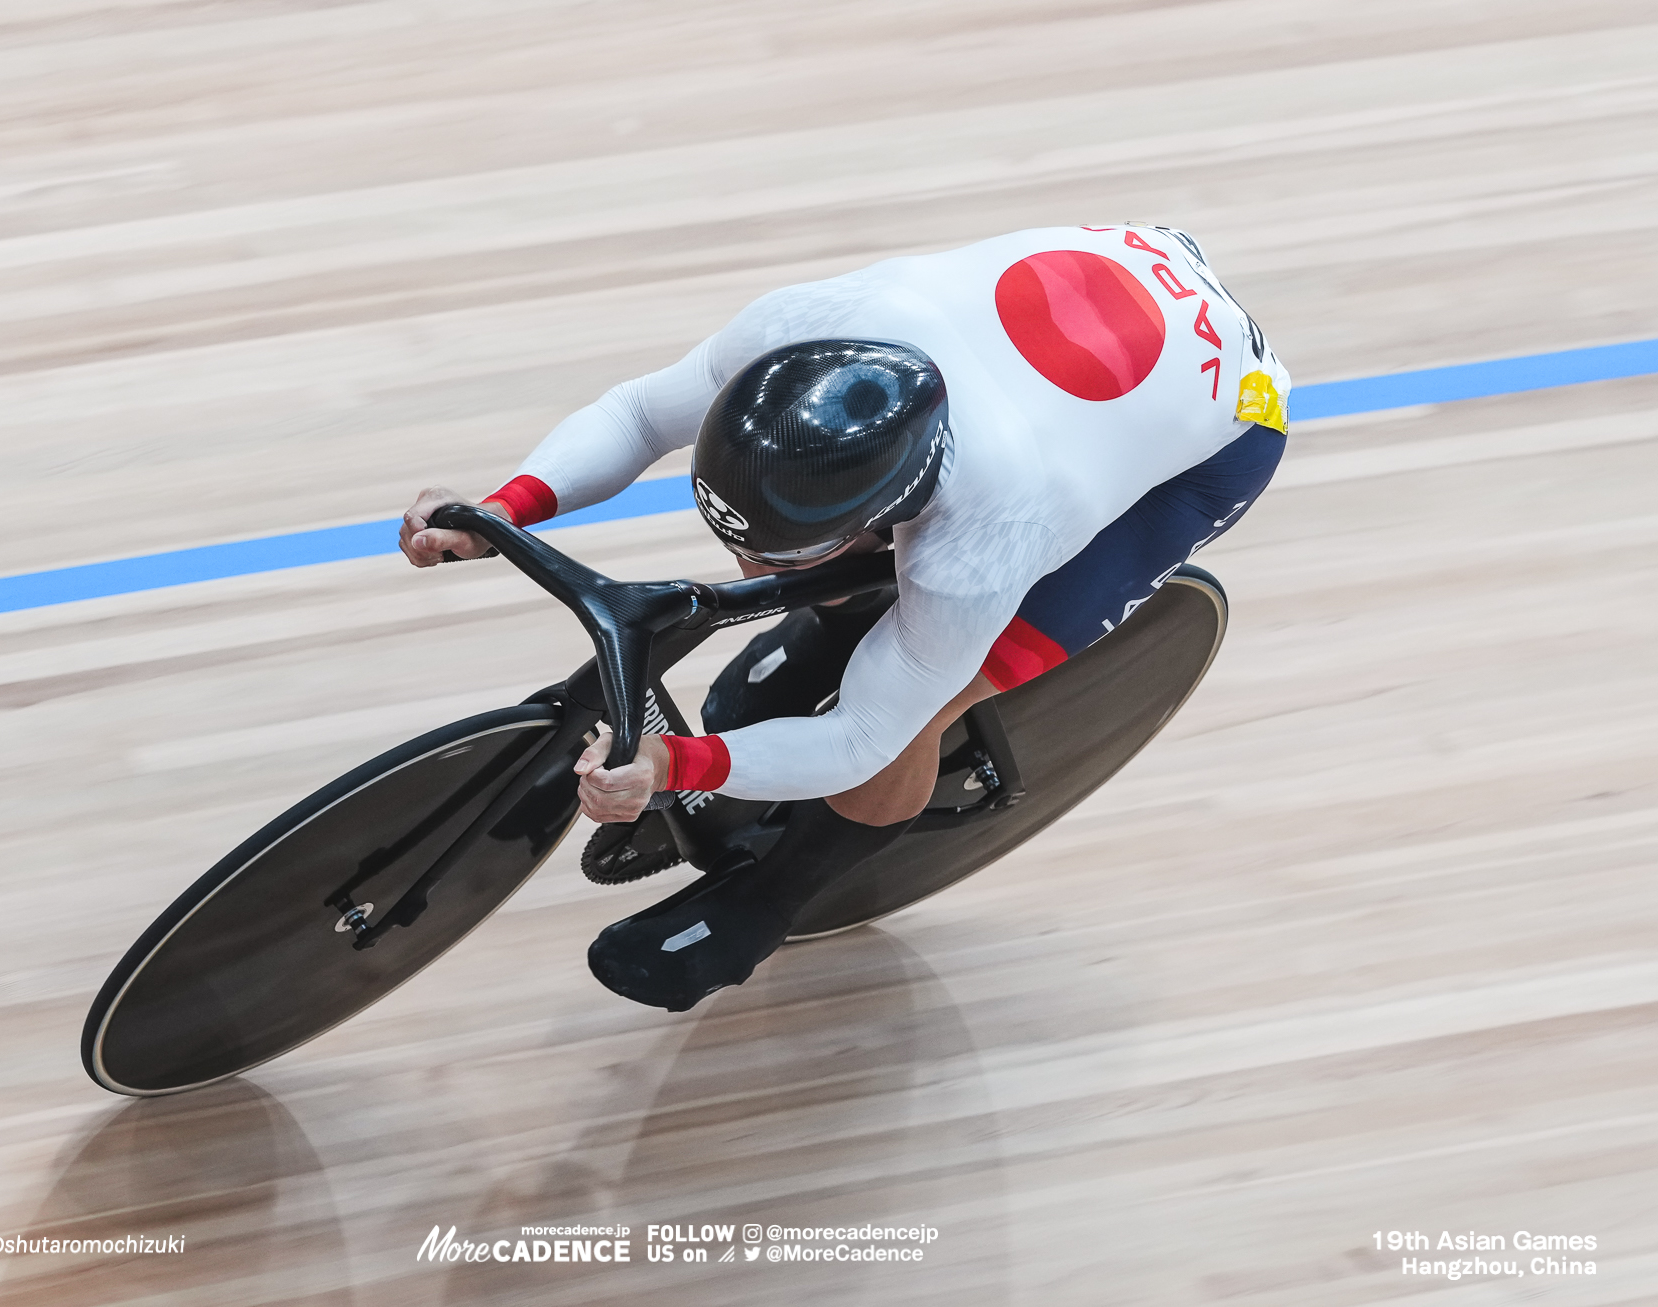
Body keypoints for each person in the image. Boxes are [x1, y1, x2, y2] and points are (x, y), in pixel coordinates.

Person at [398, 226, 1290, 1013]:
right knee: (827, 617)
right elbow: (638, 411)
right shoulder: (792, 331)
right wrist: (508, 507)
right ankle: (838, 619)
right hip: (1126, 294)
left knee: (914, 714)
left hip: (1223, 419)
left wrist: (681, 761)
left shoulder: (985, 536)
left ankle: (767, 903)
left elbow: (866, 734)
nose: (745, 572)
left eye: (771, 558)